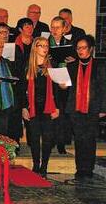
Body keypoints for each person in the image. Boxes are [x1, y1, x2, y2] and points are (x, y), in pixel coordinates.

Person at [64, 35, 106, 180]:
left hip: (93, 108)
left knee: (90, 139)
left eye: (83, 48)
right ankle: (80, 168)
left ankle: (88, 168)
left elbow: (103, 88)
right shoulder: (72, 66)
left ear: (91, 49)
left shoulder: (100, 66)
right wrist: (63, 86)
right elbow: (68, 87)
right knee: (79, 139)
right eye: (78, 48)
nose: (80, 51)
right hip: (75, 108)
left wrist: (103, 109)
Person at [22, 37, 60, 176]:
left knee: (47, 138)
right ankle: (36, 164)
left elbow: (58, 89)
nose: (44, 48)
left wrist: (58, 108)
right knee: (34, 138)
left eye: (46, 46)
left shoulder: (52, 64)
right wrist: (24, 107)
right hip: (32, 107)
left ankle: (44, 166)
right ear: (35, 48)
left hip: (48, 107)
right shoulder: (27, 65)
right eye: (41, 45)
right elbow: (21, 89)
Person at [49, 16, 73, 154]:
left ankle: (62, 143)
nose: (54, 30)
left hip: (65, 82)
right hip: (50, 82)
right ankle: (51, 140)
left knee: (64, 114)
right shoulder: (46, 43)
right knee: (53, 112)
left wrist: (71, 61)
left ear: (64, 29)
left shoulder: (70, 44)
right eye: (52, 27)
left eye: (58, 27)